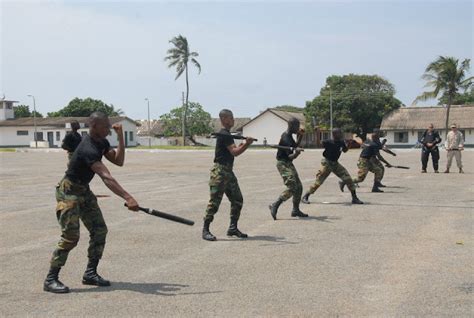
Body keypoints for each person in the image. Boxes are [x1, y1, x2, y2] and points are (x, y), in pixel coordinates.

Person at [43, 112, 139, 294]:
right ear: (94, 126)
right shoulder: (87, 148)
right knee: (70, 237)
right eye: (106, 127)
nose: (108, 129)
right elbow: (106, 177)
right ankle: (50, 279)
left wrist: (120, 137)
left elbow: (118, 161)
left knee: (99, 230)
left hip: (84, 191)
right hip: (69, 192)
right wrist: (128, 197)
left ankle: (90, 274)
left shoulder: (101, 142)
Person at [202, 109, 254, 241]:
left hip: (228, 172)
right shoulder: (224, 134)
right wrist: (246, 144)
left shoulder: (227, 135)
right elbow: (235, 152)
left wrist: (244, 143)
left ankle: (232, 228)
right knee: (214, 202)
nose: (233, 120)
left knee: (237, 200)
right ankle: (205, 230)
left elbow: (234, 150)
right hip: (219, 172)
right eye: (231, 118)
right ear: (224, 119)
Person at [302, 128, 363, 205]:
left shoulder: (341, 142)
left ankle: (354, 198)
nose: (340, 134)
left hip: (335, 163)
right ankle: (305, 196)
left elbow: (345, 150)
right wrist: (317, 134)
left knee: (348, 179)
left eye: (340, 133)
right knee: (318, 181)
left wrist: (349, 145)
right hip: (327, 163)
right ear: (334, 134)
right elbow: (319, 143)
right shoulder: (328, 142)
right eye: (339, 133)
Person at [268, 118, 308, 220]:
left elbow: (294, 146)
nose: (298, 128)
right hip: (283, 163)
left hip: (288, 163)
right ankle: (275, 205)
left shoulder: (290, 136)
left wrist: (301, 136)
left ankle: (295, 210)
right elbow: (290, 156)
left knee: (299, 187)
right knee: (292, 185)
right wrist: (297, 154)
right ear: (291, 126)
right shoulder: (286, 137)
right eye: (297, 126)